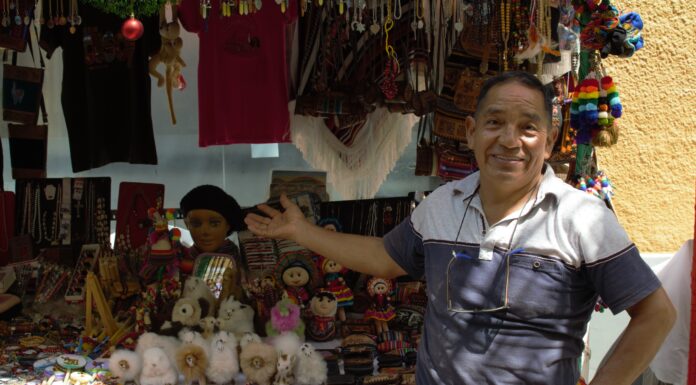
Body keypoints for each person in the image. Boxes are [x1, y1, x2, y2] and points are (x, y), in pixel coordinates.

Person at [244, 71, 676, 385]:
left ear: (548, 138)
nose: (510, 140)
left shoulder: (582, 217)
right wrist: (302, 232)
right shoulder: (441, 206)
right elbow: (383, 259)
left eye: (528, 127)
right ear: (470, 132)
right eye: (494, 123)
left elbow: (656, 314)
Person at [179, 184, 246, 264]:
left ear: (228, 225)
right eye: (196, 224)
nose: (205, 232)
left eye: (215, 224)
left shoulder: (245, 262)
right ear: (187, 224)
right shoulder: (179, 261)